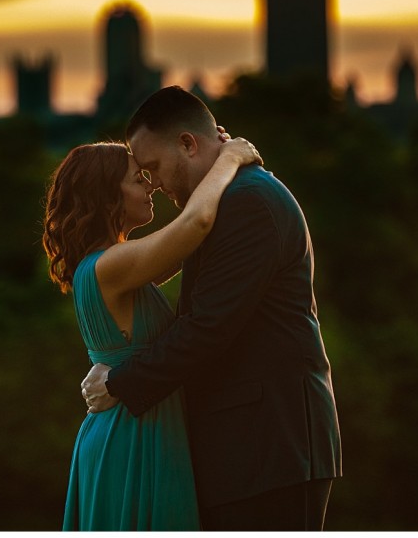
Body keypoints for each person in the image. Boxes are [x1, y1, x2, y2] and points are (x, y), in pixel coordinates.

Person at [81, 85, 343, 531]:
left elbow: (208, 327)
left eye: (154, 168)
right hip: (247, 450)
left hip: (270, 447)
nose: (156, 185)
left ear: (188, 143)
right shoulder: (228, 200)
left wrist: (122, 381)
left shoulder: (249, 203)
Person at [43, 134, 263, 530]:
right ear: (108, 197)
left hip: (131, 425)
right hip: (133, 435)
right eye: (136, 178)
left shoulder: (111, 265)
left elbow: (188, 247)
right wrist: (227, 160)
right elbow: (195, 223)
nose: (151, 185)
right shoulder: (111, 265)